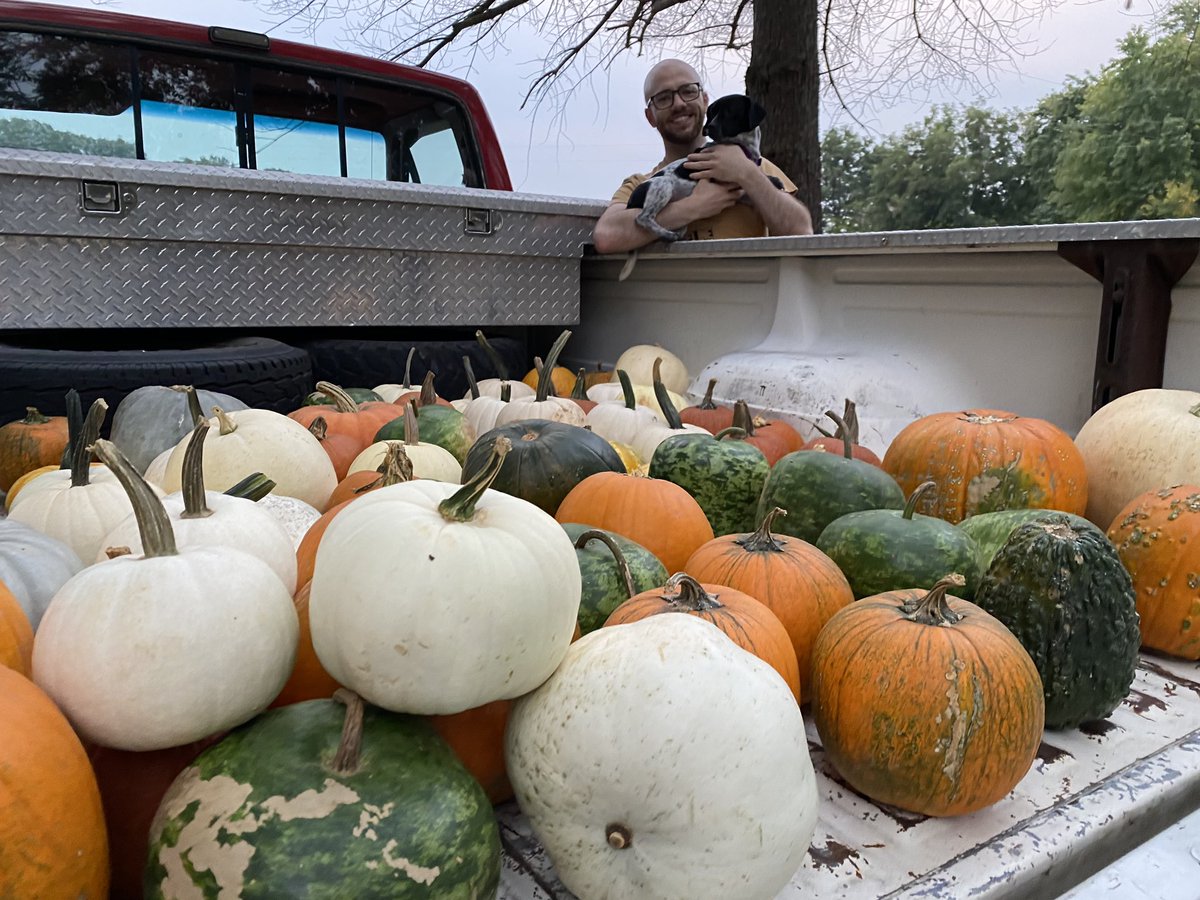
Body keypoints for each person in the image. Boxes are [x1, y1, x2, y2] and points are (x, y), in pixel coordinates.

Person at [592, 59, 813, 254]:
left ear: (705, 100)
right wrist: (693, 206)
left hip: (748, 299)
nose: (679, 103)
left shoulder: (757, 168)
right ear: (651, 116)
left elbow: (801, 232)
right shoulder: (641, 184)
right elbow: (607, 237)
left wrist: (747, 173)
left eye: (688, 91)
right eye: (663, 97)